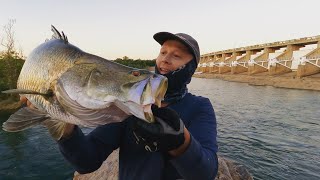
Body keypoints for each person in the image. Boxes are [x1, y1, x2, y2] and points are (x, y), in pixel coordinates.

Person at [21, 32, 218, 180]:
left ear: (191, 68)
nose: (165, 58)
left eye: (177, 56)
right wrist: (62, 123)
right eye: (163, 52)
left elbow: (206, 172)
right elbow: (87, 161)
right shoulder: (126, 107)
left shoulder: (200, 107)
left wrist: (179, 142)